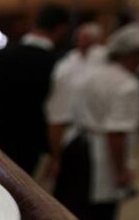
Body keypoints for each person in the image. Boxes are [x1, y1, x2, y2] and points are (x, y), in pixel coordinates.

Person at [53, 24, 139, 220]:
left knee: (66, 210)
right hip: (98, 156)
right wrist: (122, 171)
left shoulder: (94, 73)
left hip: (75, 145)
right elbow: (116, 134)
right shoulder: (127, 84)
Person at [0, 4, 70, 174]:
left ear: (34, 24)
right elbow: (55, 120)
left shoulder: (0, 55)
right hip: (26, 150)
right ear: (61, 29)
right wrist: (56, 157)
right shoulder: (58, 64)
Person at [45, 22, 106, 174]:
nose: (82, 42)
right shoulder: (67, 62)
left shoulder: (104, 62)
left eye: (87, 39)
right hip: (67, 126)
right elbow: (58, 103)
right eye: (80, 38)